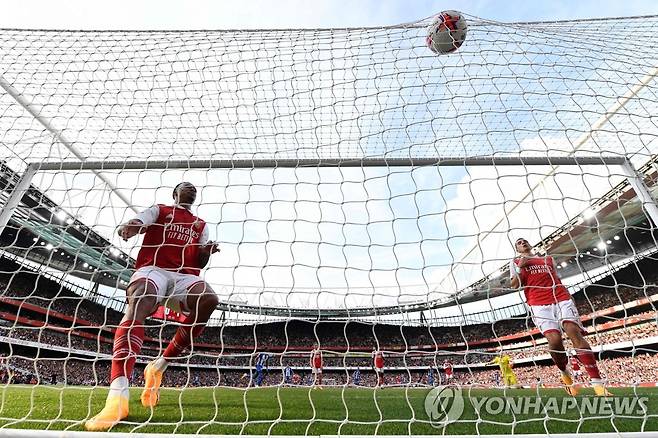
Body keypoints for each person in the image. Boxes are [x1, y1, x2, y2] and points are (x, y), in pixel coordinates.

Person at [85, 182, 220, 431]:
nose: (190, 188)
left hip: (183, 276)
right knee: (140, 300)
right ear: (175, 194)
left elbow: (199, 260)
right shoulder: (160, 210)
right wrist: (129, 228)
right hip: (153, 269)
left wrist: (206, 251)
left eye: (193, 188)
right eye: (184, 186)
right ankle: (117, 397)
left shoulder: (201, 225)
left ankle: (158, 366)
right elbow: (139, 222)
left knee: (210, 300)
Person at [510, 237, 610, 396]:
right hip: (538, 303)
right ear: (517, 249)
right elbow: (515, 285)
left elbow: (556, 278)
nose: (523, 243)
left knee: (572, 330)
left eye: (524, 241)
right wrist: (521, 267)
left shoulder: (547, 259)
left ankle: (597, 384)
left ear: (530, 244)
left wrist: (568, 295)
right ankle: (565, 373)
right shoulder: (515, 262)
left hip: (560, 297)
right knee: (555, 340)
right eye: (519, 243)